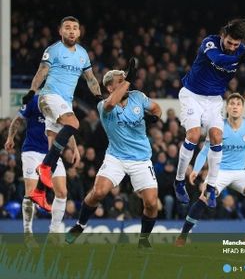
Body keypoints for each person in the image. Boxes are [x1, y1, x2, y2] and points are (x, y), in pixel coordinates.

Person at [65, 69, 162, 249]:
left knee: (151, 203)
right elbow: (111, 103)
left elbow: (156, 108)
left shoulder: (138, 97)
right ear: (110, 87)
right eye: (121, 81)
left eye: (126, 79)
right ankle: (80, 225)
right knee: (99, 192)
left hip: (141, 159)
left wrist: (154, 117)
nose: (127, 83)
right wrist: (128, 80)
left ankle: (143, 239)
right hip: (115, 157)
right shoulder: (104, 106)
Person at [174, 20, 245, 208]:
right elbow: (218, 60)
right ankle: (179, 181)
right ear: (223, 36)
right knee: (193, 135)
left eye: (236, 45)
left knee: (216, 137)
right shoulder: (210, 42)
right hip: (192, 95)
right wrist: (242, 57)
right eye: (229, 42)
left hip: (214, 99)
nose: (232, 47)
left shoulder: (241, 50)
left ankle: (211, 187)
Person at [22, 16, 103, 211]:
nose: (71, 31)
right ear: (61, 31)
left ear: (79, 32)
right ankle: (44, 168)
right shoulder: (53, 50)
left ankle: (39, 191)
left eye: (75, 28)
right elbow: (41, 72)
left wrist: (99, 97)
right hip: (49, 97)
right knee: (74, 123)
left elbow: (91, 79)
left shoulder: (82, 54)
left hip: (64, 103)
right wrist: (32, 91)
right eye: (67, 28)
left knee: (54, 148)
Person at [175, 93, 245, 245]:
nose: (235, 106)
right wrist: (196, 170)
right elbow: (205, 150)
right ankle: (183, 236)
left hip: (241, 172)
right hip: (219, 172)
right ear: (227, 107)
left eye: (238, 104)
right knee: (204, 197)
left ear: (242, 108)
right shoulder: (218, 127)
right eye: (231, 103)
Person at [4, 95, 79, 243]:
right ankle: (28, 233)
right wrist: (10, 137)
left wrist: (75, 148)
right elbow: (18, 120)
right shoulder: (34, 100)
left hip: (52, 152)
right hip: (32, 151)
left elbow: (68, 128)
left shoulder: (61, 104)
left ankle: (54, 232)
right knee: (31, 193)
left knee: (62, 192)